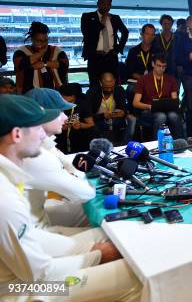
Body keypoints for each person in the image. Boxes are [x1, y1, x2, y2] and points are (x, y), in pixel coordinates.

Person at [0, 94, 141, 301]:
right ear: (17, 135)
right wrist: (98, 255)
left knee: (110, 238)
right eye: (37, 127)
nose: (42, 136)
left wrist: (89, 249)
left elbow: (30, 237)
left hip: (25, 269)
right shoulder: (6, 200)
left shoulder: (8, 179)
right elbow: (41, 274)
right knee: (138, 273)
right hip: (17, 290)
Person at [23, 88, 95, 231]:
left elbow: (68, 164)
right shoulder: (35, 154)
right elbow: (84, 192)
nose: (65, 117)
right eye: (60, 112)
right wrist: (72, 178)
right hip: (37, 232)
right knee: (109, 232)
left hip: (38, 215)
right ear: (42, 113)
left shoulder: (43, 143)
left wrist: (71, 176)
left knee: (91, 211)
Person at [81, 0, 129, 85]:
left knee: (113, 84)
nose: (106, 7)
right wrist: (102, 22)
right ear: (98, 4)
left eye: (109, 4)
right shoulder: (87, 17)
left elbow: (125, 32)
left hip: (111, 56)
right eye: (103, 4)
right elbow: (87, 35)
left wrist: (119, 49)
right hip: (95, 57)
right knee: (95, 85)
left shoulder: (115, 18)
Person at [133, 54, 182, 138]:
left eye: (164, 66)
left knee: (173, 116)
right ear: (153, 64)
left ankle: (179, 142)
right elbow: (135, 103)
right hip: (149, 110)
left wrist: (175, 104)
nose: (161, 69)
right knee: (161, 116)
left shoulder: (171, 79)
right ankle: (156, 144)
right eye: (159, 66)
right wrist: (149, 106)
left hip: (166, 109)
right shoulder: (143, 79)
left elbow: (174, 99)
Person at [13, 21, 68, 94]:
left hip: (56, 94)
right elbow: (20, 65)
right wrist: (40, 53)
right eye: (39, 41)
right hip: (29, 95)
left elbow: (64, 64)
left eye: (45, 40)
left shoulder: (56, 51)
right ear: (32, 39)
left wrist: (45, 64)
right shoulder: (21, 52)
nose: (43, 44)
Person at [86, 72, 134, 144]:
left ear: (114, 81)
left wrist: (122, 113)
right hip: (99, 119)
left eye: (111, 87)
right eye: (106, 87)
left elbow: (124, 108)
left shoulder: (119, 90)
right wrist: (103, 115)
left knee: (132, 119)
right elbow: (88, 115)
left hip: (116, 117)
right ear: (100, 82)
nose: (109, 89)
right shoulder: (92, 92)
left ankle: (126, 143)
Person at [56, 84, 97, 154]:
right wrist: (61, 128)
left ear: (74, 96)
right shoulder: (55, 104)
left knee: (93, 131)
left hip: (78, 133)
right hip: (61, 134)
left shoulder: (82, 104)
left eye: (70, 101)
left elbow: (91, 124)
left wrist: (81, 125)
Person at [153, 14, 178, 78]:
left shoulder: (177, 38)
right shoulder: (156, 38)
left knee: (173, 87)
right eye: (165, 24)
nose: (167, 26)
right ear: (161, 24)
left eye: (169, 24)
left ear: (172, 25)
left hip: (173, 69)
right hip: (159, 68)